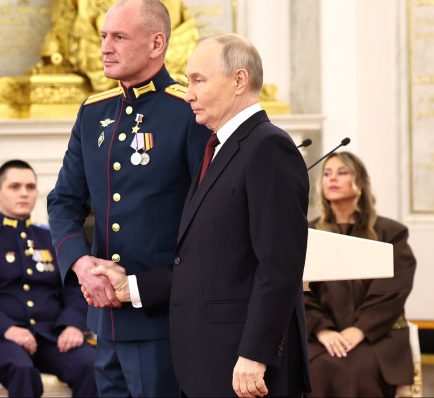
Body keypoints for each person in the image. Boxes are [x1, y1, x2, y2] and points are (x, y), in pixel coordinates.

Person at [91, 33, 312, 397]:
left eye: (198, 80)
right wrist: (131, 287)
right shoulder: (218, 148)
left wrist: (255, 354)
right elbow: (204, 261)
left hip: (245, 368)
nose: (188, 94)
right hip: (211, 363)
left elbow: (279, 267)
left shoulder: (268, 146)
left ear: (239, 80)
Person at [46, 0, 210, 396]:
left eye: (119, 37)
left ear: (157, 44)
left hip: (163, 314)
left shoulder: (189, 111)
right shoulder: (93, 112)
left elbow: (208, 216)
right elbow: (64, 200)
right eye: (104, 36)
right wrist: (80, 263)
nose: (104, 47)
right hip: (104, 318)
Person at [0, 160, 97, 397]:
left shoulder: (52, 239)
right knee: (21, 370)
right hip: (0, 339)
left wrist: (72, 324)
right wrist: (7, 328)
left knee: (90, 364)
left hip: (52, 335)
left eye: (30, 187)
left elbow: (73, 289)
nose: (23, 193)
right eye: (15, 187)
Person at [303, 151, 416, 397]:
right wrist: (322, 330)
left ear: (360, 183)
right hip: (320, 336)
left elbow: (393, 291)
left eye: (342, 172)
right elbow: (298, 290)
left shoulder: (391, 233)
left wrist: (361, 329)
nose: (332, 179)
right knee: (319, 368)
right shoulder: (308, 234)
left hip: (377, 335)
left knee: (356, 370)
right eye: (327, 174)